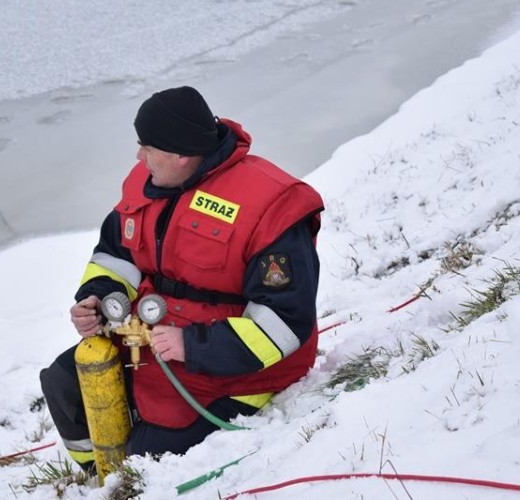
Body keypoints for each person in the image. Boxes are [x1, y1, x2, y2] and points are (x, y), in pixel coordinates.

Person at [39, 85, 324, 470]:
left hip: (236, 370)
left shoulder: (270, 206)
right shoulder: (146, 181)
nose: (139, 156)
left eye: (148, 147)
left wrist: (193, 345)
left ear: (181, 153)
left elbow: (285, 323)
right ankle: (102, 479)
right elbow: (115, 253)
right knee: (63, 383)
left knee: (144, 456)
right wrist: (99, 298)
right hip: (154, 339)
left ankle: (128, 475)